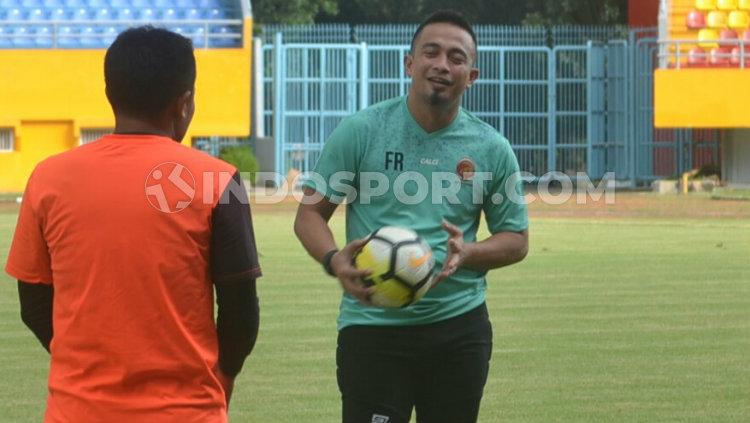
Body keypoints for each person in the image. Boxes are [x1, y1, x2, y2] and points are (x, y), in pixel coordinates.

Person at [5, 26, 261, 423]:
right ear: (184, 103)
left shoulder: (48, 177)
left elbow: (34, 303)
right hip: (187, 412)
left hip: (76, 411)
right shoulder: (218, 180)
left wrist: (85, 371)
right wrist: (221, 379)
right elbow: (240, 314)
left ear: (111, 94)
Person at [294, 10, 529, 423]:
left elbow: (516, 238)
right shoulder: (362, 131)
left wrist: (469, 252)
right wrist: (334, 260)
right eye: (431, 53)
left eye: (456, 58)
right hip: (372, 327)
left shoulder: (492, 148)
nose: (442, 64)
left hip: (459, 329)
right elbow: (310, 215)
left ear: (471, 76)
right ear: (409, 64)